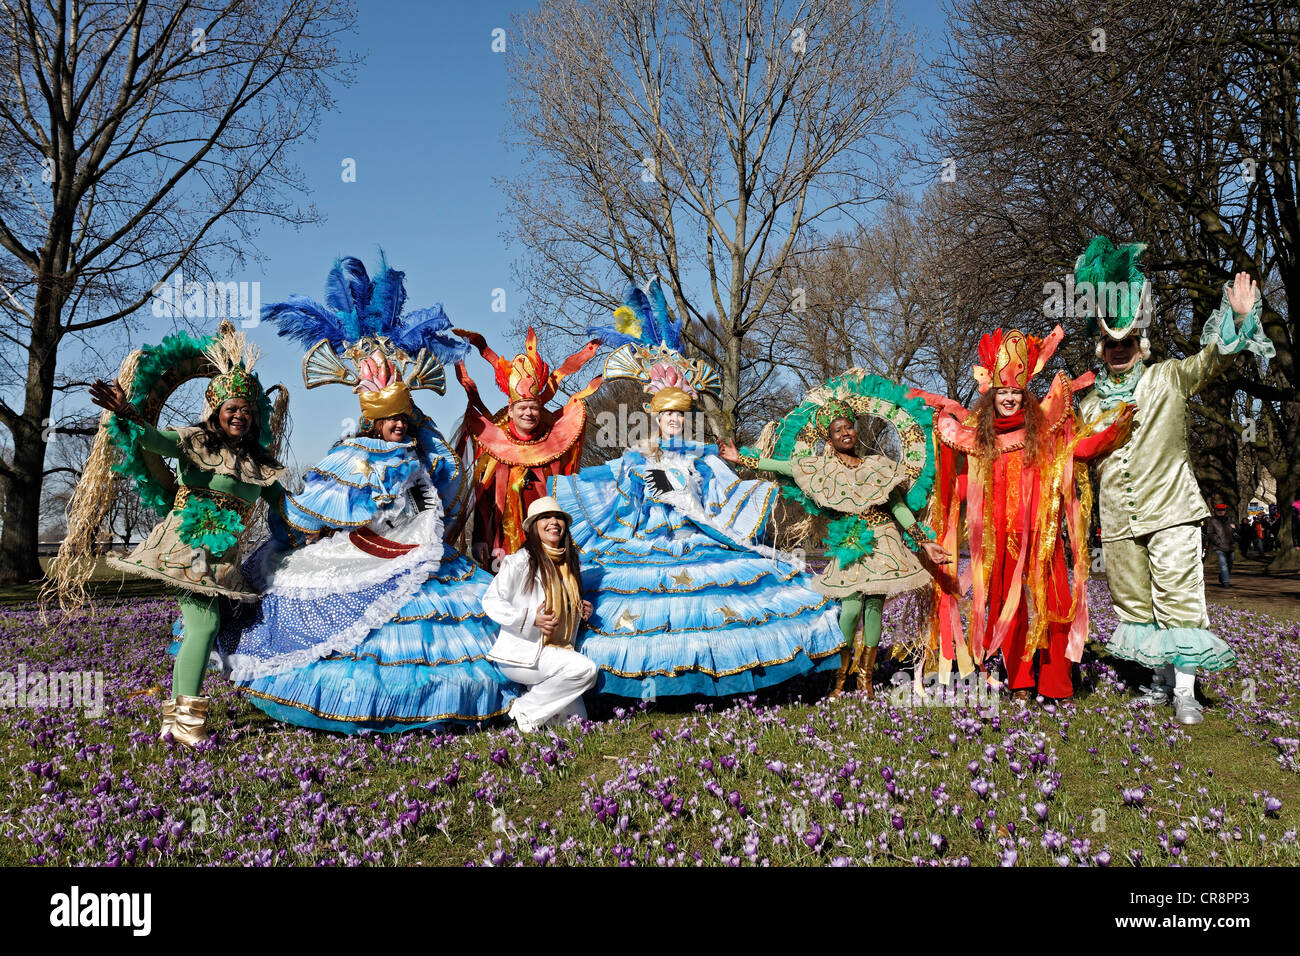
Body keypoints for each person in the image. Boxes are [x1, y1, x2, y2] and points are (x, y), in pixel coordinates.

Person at [217, 256, 515, 732]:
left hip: (417, 550)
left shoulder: (417, 452)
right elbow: (314, 509)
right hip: (360, 552)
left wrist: (419, 512)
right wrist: (302, 537)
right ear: (373, 420)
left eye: (403, 417)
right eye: (390, 419)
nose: (397, 424)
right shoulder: (350, 453)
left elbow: (439, 493)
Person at [548, 277, 846, 698]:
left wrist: (741, 491)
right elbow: (627, 505)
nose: (675, 422)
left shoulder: (703, 457)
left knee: (744, 590)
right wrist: (643, 489)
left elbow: (722, 499)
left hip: (698, 537)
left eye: (681, 416)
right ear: (654, 416)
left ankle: (723, 679)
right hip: (651, 541)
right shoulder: (637, 456)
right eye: (669, 416)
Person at [49, 322, 290, 745]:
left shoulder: (259, 463)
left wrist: (308, 533)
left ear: (253, 417)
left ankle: (175, 721)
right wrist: (127, 414)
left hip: (223, 555)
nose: (238, 415)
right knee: (205, 622)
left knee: (202, 625)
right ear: (216, 411)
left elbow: (283, 509)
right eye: (230, 408)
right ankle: (189, 724)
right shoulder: (196, 441)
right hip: (187, 543)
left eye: (245, 410)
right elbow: (155, 441)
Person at [1074, 235, 1273, 724]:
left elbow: (1211, 361)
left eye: (1126, 343)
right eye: (1110, 344)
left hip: (1173, 512)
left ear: (1141, 346)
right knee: (1137, 605)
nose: (1118, 351)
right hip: (1119, 522)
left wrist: (1240, 318)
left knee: (1179, 598)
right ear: (1101, 348)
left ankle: (1185, 690)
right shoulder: (1088, 405)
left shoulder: (1167, 377)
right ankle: (1160, 684)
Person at [914, 326, 1133, 700]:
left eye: (1017, 392)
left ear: (1025, 395)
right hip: (1001, 544)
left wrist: (1115, 430)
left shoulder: (1044, 434)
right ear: (993, 395)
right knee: (1009, 615)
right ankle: (1020, 682)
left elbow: (1076, 453)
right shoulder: (978, 440)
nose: (1011, 398)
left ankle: (1056, 683)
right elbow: (961, 487)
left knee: (1054, 608)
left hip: (1042, 542)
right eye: (1004, 392)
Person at [719, 370, 949, 696]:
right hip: (849, 539)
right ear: (829, 438)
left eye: (849, 427)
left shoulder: (878, 466)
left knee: (873, 607)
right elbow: (785, 466)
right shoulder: (821, 468)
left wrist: (925, 542)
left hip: (883, 538)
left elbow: (897, 507)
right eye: (838, 429)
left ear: (856, 431)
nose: (845, 432)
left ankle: (865, 680)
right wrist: (740, 457)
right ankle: (838, 678)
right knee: (851, 606)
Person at [452, 326, 603, 569]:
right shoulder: (495, 449)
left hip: (551, 539)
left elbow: (568, 491)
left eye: (532, 407)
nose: (528, 413)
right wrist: (480, 538)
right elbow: (484, 496)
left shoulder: (554, 447)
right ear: (511, 411)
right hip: (505, 542)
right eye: (522, 408)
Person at [482, 497, 597, 733]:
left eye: (558, 517)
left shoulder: (568, 564)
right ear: (534, 526)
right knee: (586, 670)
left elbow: (559, 605)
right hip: (523, 653)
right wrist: (529, 619)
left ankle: (535, 702)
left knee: (576, 725)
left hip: (556, 651)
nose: (553, 522)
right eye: (545, 517)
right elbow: (490, 601)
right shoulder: (520, 561)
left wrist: (577, 609)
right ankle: (524, 708)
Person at [1205, 504, 1236, 587]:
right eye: (1219, 510)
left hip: (1230, 545)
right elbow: (1210, 533)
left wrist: (1235, 529)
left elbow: (1238, 529)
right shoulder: (1212, 521)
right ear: (1215, 511)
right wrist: (1218, 541)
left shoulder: (1230, 519)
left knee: (1230, 565)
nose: (1221, 512)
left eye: (1223, 510)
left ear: (1225, 511)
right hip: (1219, 547)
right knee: (1223, 564)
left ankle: (1222, 576)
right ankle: (1226, 582)